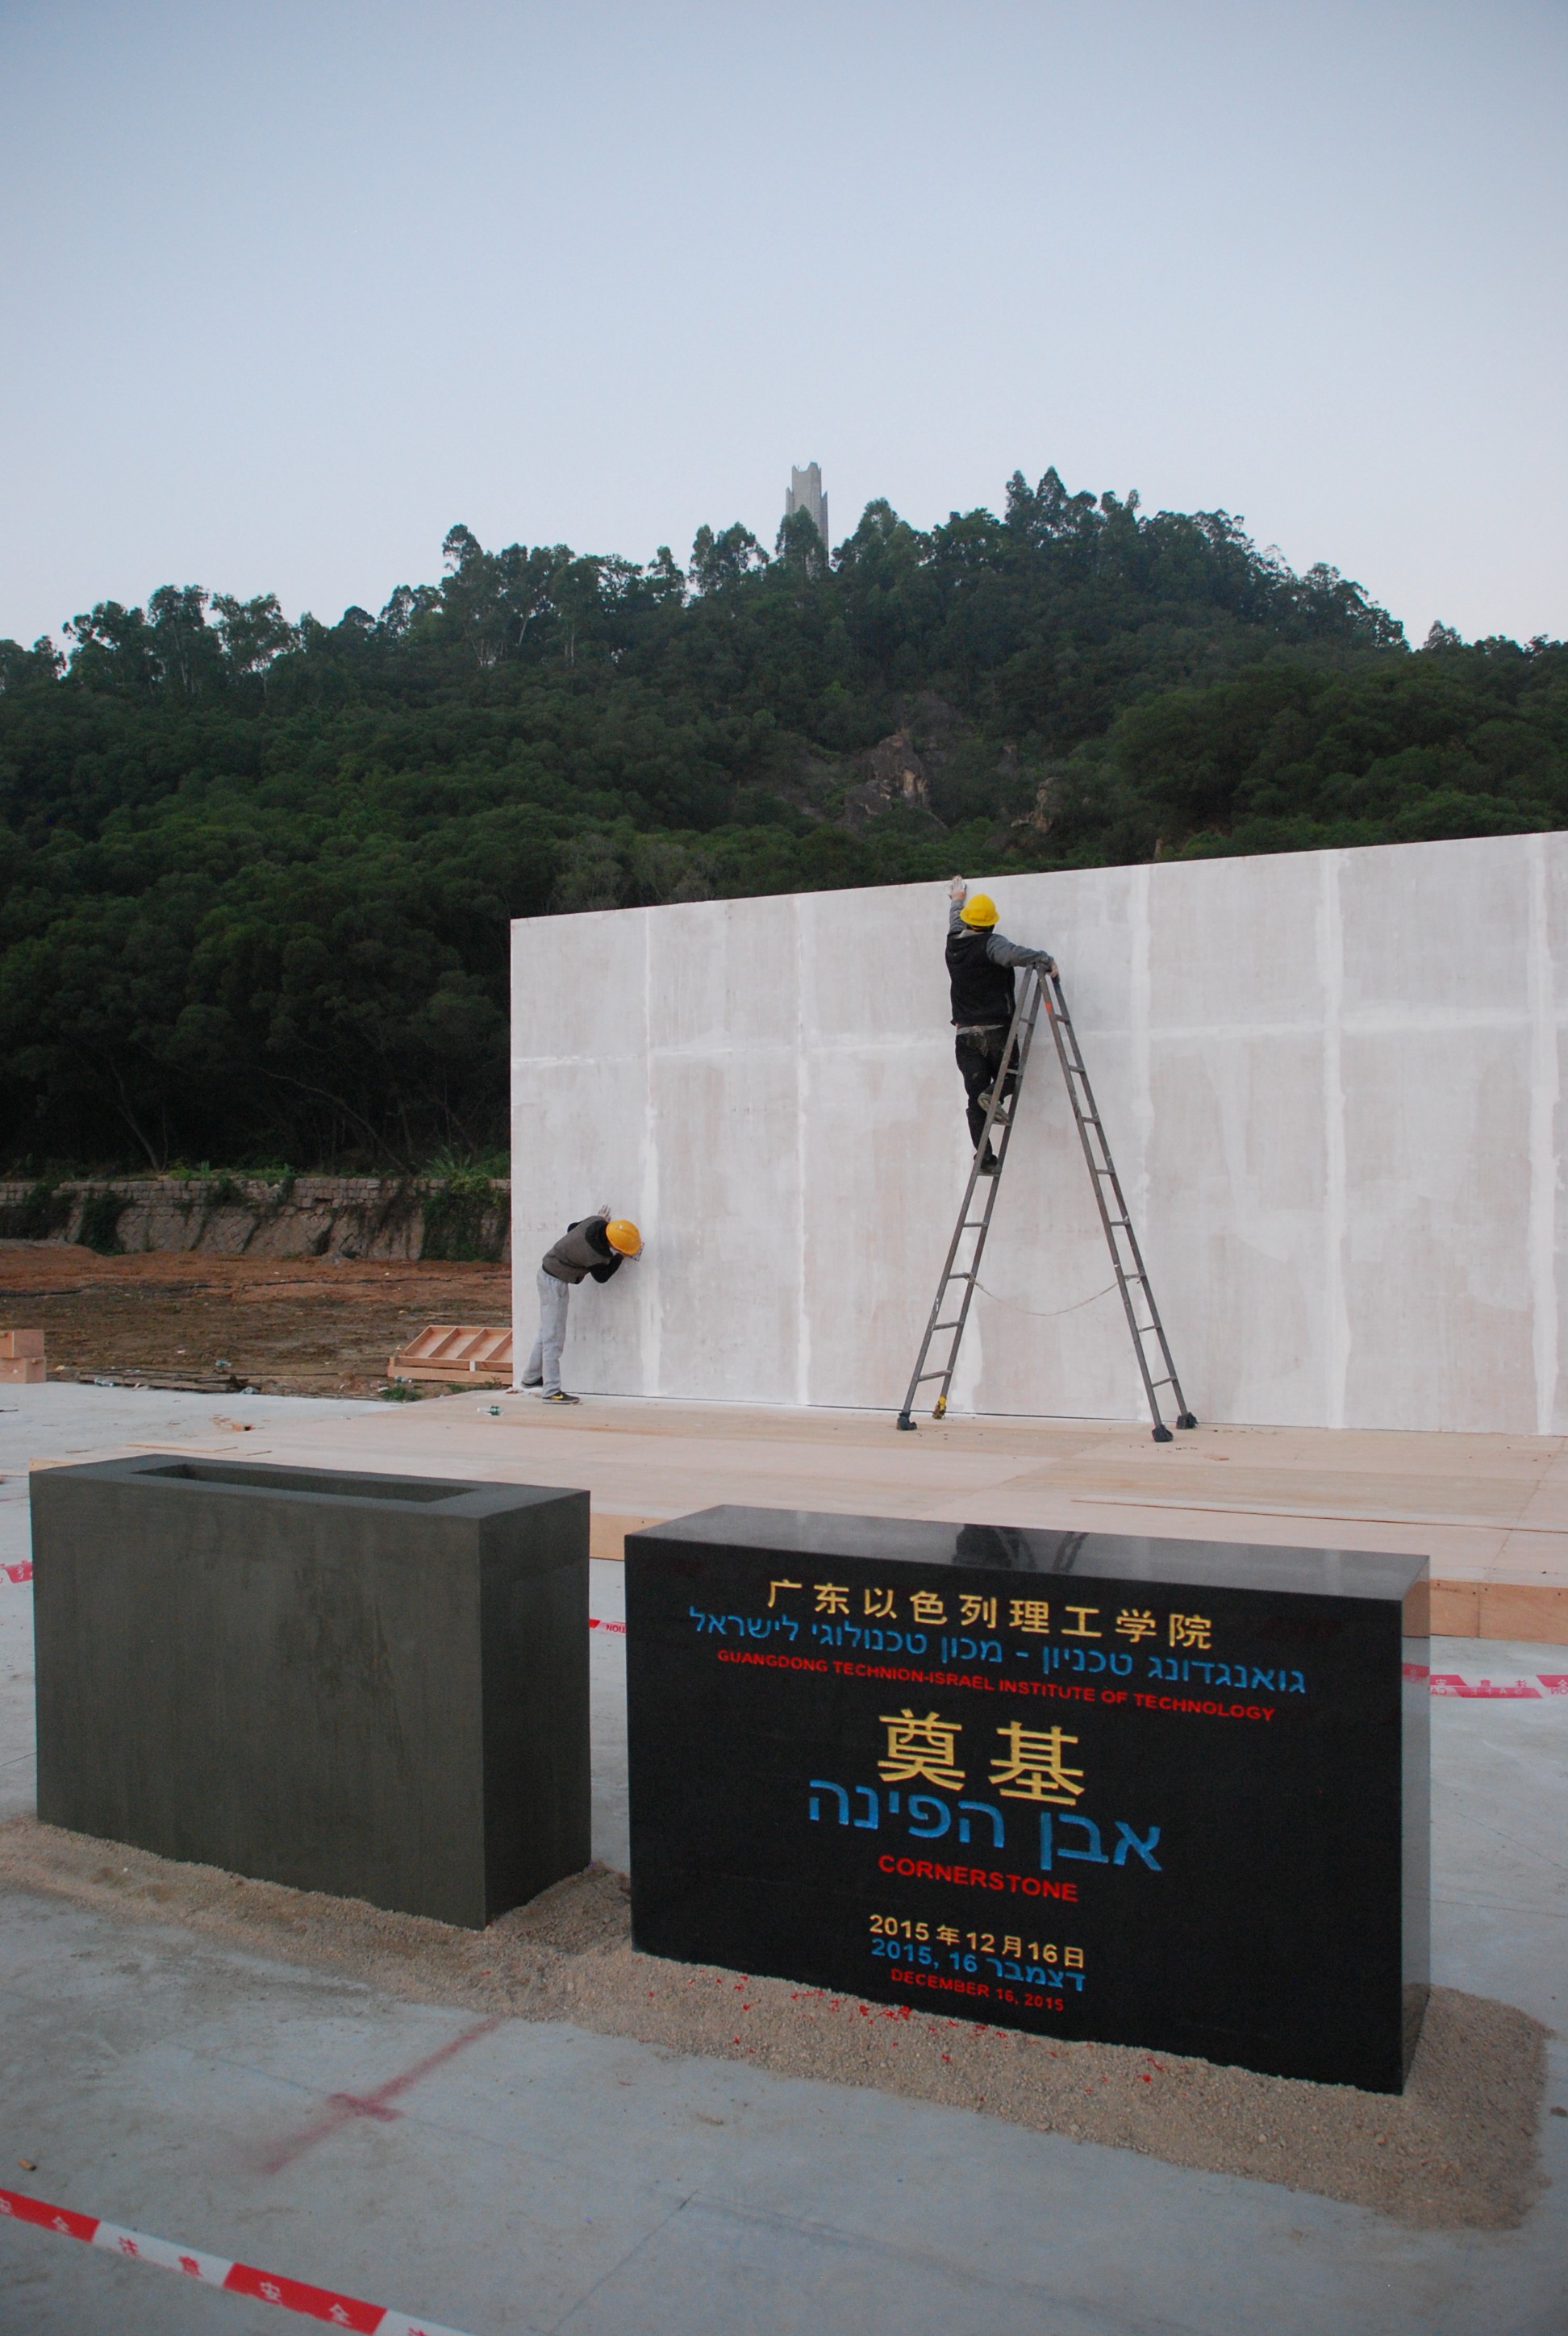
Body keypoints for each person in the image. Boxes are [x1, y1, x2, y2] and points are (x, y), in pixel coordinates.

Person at [946, 876, 1056, 1173]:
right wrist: (1046, 960)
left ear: (969, 921)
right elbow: (1015, 955)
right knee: (1010, 1075)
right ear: (991, 924)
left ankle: (984, 1158)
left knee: (974, 1100)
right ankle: (994, 1095)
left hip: (965, 1036)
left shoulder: (954, 945)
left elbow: (956, 922)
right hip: (997, 1031)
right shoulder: (992, 945)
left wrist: (957, 899)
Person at [522, 1206, 642, 1403]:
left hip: (548, 1275)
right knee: (553, 1337)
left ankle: (531, 1377)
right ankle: (551, 1391)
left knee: (547, 1332)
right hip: (554, 1282)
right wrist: (620, 1256)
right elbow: (602, 1277)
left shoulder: (595, 1221)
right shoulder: (594, 1254)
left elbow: (572, 1228)